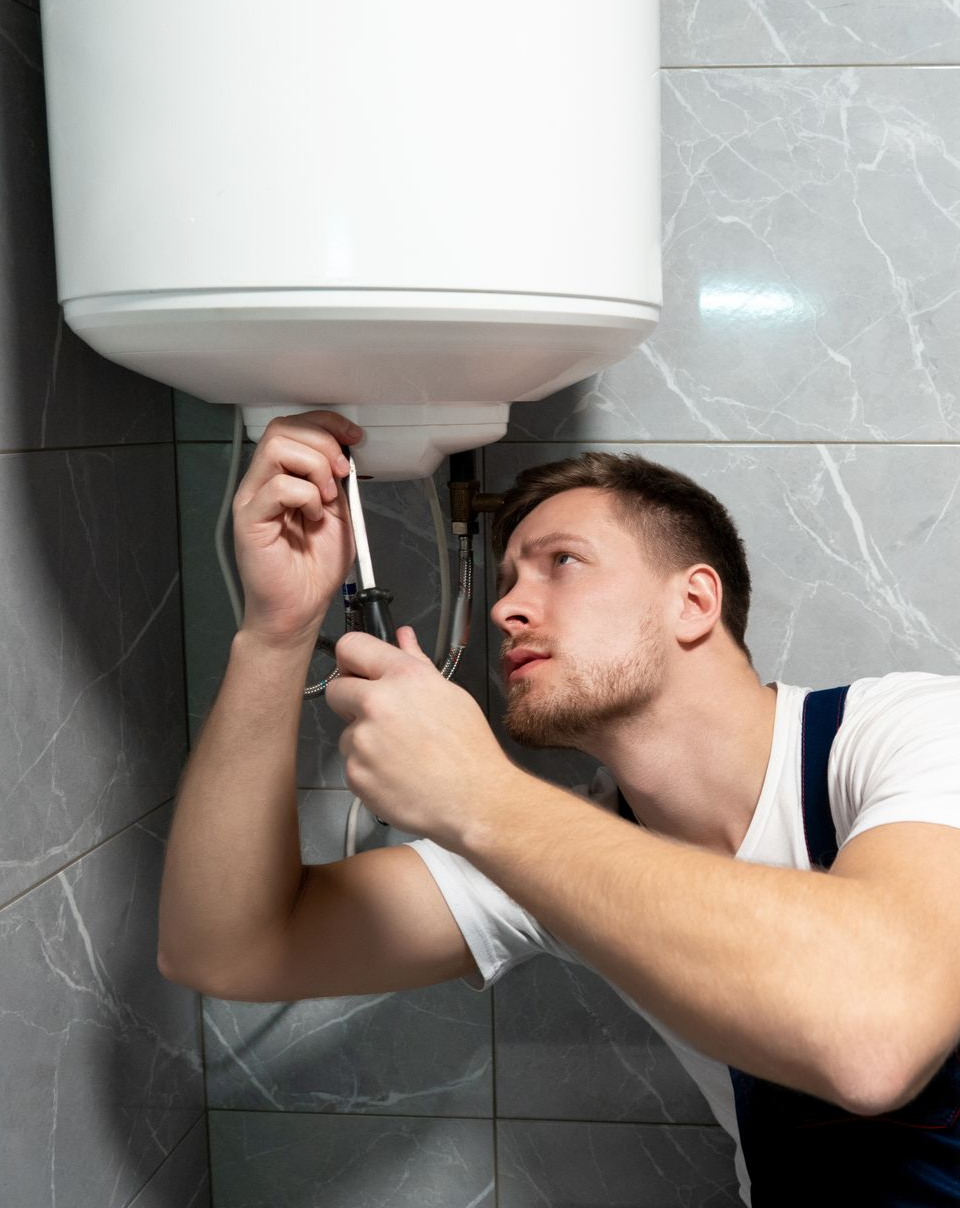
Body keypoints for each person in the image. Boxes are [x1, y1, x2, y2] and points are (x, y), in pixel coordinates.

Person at [158, 409, 960, 1206]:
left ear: (695, 601)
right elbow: (227, 950)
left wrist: (478, 795)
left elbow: (874, 1038)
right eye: (506, 581)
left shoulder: (911, 731)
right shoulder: (551, 854)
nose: (507, 608)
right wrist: (275, 634)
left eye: (561, 563)